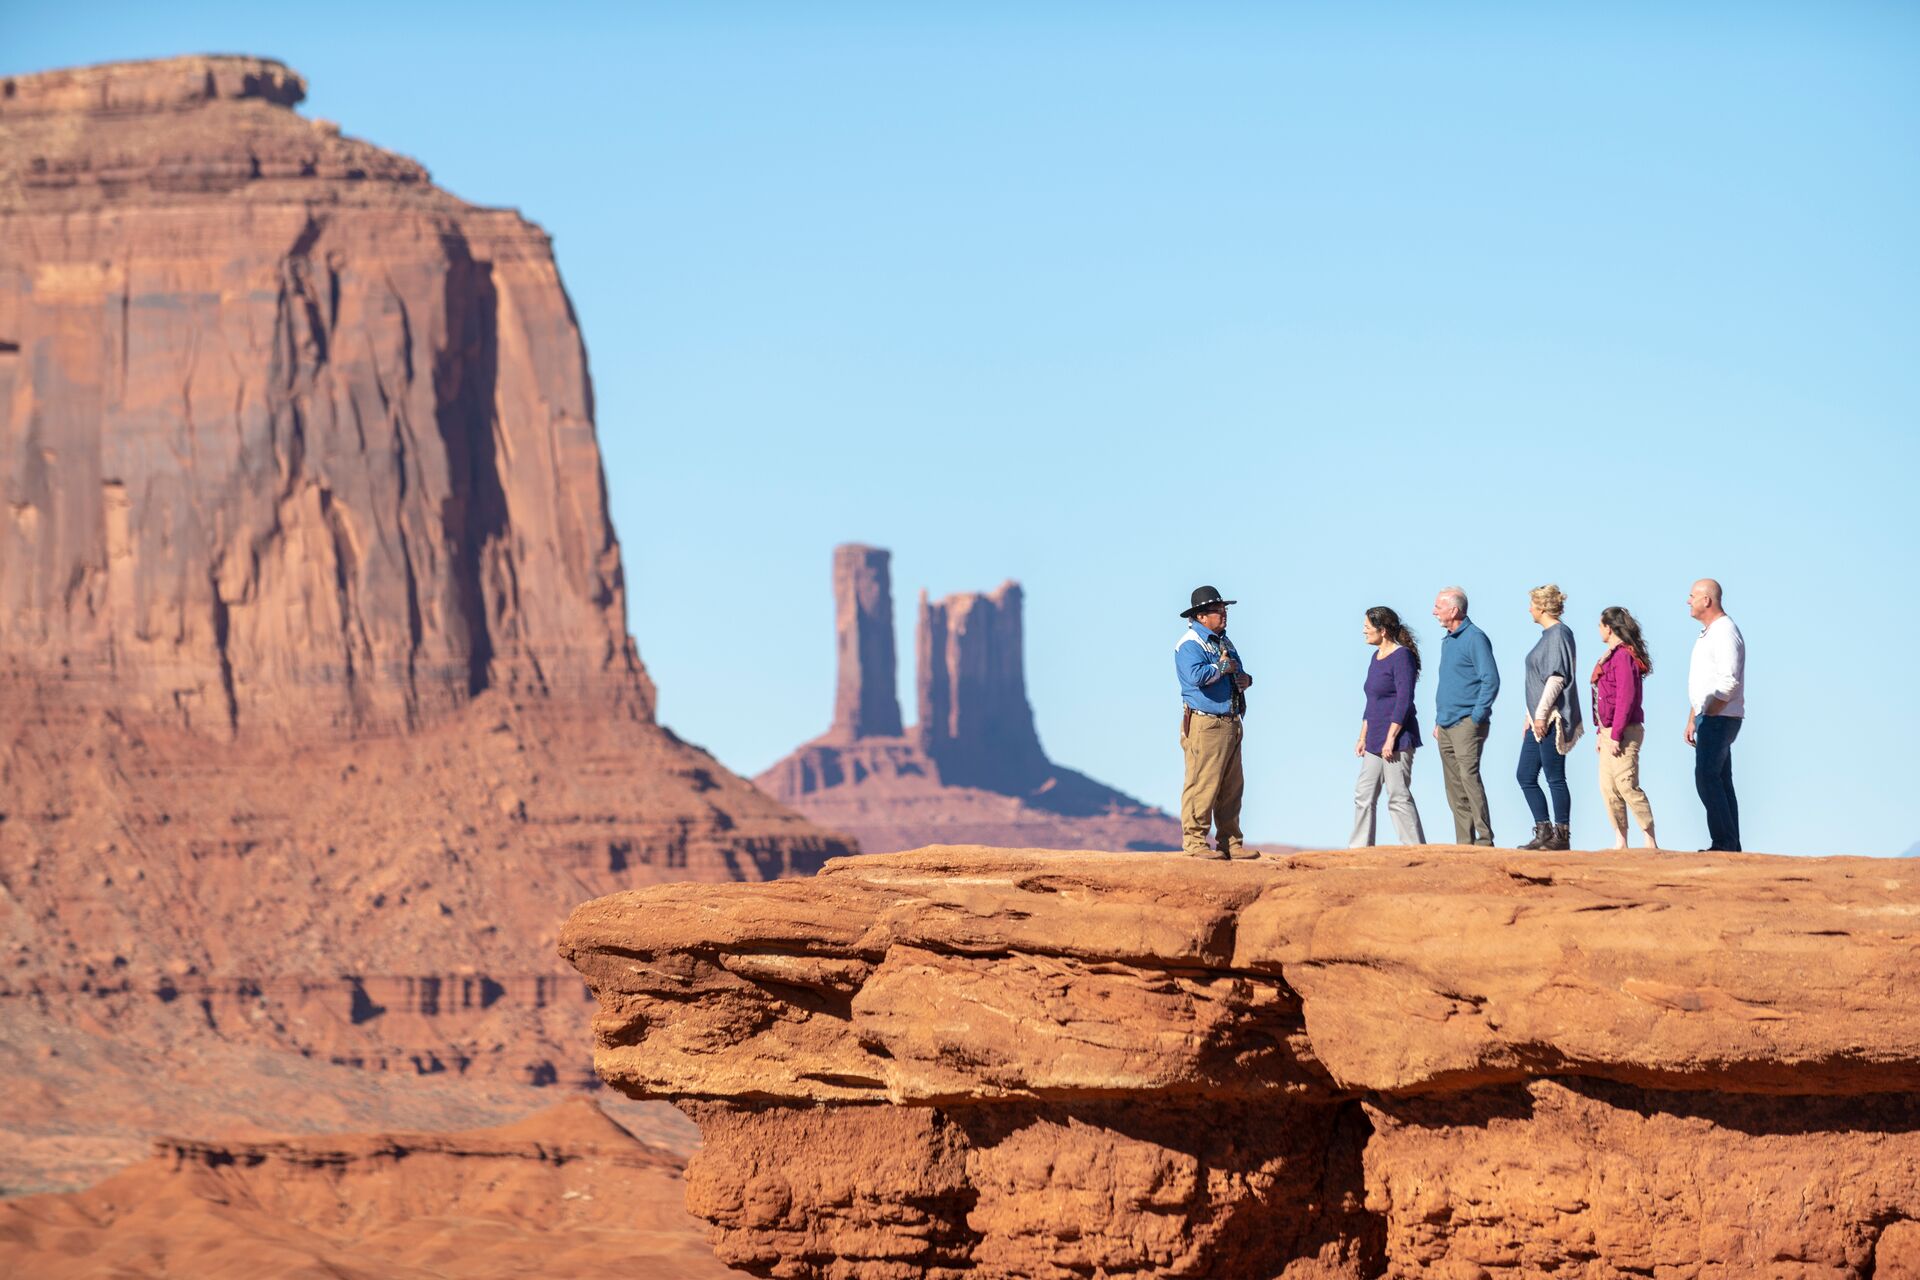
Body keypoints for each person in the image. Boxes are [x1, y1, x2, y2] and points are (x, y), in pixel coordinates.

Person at [1175, 585, 1255, 860]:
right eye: (1217, 611)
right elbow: (1195, 677)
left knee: (1232, 786)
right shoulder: (1189, 644)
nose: (1223, 614)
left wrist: (1245, 680)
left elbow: (1238, 671)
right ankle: (1195, 842)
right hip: (1206, 724)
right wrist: (1222, 668)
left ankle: (1230, 842)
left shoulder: (1223, 642)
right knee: (1203, 783)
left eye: (1224, 610)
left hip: (1231, 721)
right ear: (1200, 617)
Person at [1351, 606, 1427, 847]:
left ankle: (1415, 849)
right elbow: (1372, 700)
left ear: (1382, 630)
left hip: (1397, 738)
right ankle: (1359, 848)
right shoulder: (1376, 657)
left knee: (1398, 795)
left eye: (1368, 626)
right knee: (1364, 793)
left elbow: (1405, 699)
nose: (1363, 630)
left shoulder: (1402, 656)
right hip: (1374, 737)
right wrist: (1362, 735)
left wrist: (1391, 738)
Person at [1430, 586, 1500, 846]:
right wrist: (1439, 720)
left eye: (1438, 606)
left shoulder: (1474, 637)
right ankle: (1464, 843)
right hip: (1446, 724)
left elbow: (1490, 679)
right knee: (1454, 787)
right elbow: (1449, 682)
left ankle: (1484, 839)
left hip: (1467, 723)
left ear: (1454, 609)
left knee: (1469, 779)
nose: (1434, 611)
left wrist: (1477, 716)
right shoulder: (1448, 640)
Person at [1516, 584, 1583, 851]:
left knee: (1555, 776)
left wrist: (1541, 715)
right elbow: (1536, 681)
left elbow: (1556, 678)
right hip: (1537, 718)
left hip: (1552, 717)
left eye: (1532, 604)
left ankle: (1562, 834)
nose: (1529, 609)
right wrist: (1529, 716)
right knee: (1525, 774)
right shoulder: (1547, 635)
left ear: (1542, 607)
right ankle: (1543, 830)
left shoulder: (1558, 634)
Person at [1686, 578, 1746, 851]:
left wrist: (1710, 711)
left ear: (1706, 600)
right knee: (1720, 779)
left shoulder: (1724, 631)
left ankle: (1724, 842)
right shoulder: (1710, 632)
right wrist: (1693, 716)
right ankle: (1729, 843)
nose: (1688, 601)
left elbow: (1728, 680)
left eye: (1692, 596)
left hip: (1720, 718)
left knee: (1707, 777)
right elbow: (1704, 681)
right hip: (1710, 717)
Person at [1592, 606, 1657, 849]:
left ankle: (1649, 839)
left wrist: (1616, 734)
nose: (1598, 630)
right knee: (1608, 787)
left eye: (1600, 625)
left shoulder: (1624, 657)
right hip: (1609, 730)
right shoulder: (1608, 657)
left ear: (1609, 628)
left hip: (1625, 730)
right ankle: (1621, 840)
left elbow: (1626, 698)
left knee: (1626, 783)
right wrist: (1601, 732)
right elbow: (1602, 697)